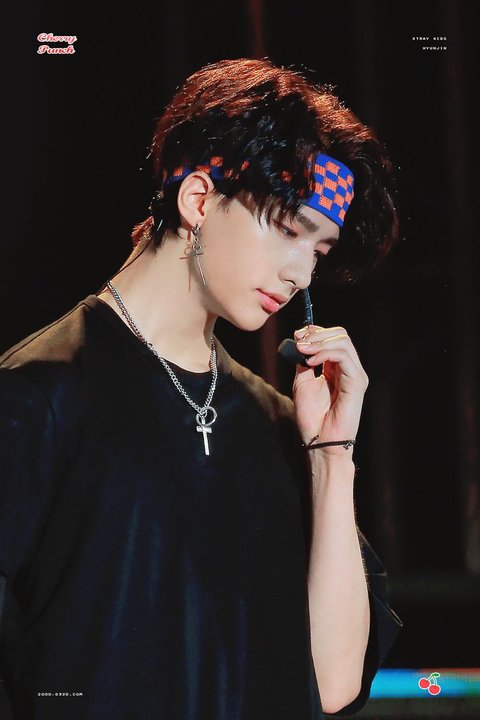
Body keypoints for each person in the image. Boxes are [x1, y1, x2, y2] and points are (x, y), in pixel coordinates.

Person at [0, 58, 402, 720]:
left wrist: (331, 455)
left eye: (319, 251)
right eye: (289, 228)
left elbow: (333, 686)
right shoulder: (38, 398)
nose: (301, 273)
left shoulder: (280, 426)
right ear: (198, 200)